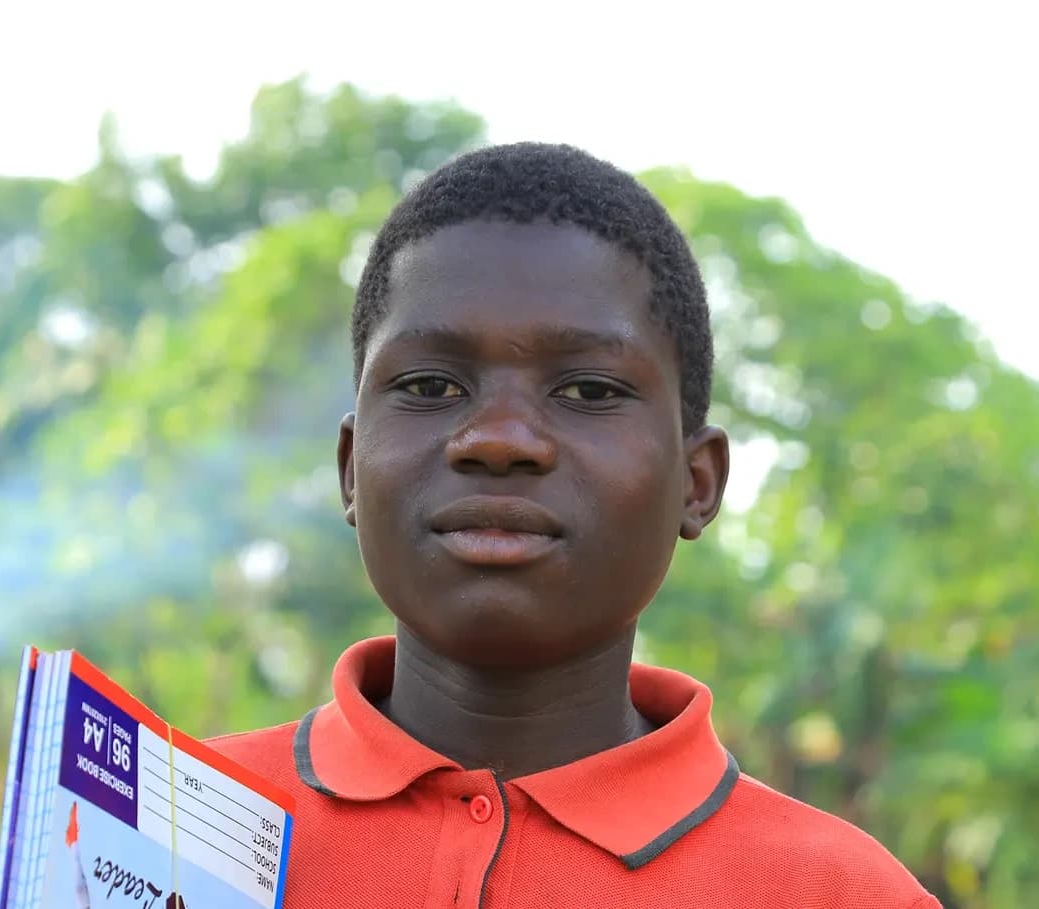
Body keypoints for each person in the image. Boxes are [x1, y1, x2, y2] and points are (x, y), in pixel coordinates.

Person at [210, 143, 941, 908]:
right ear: (352, 466)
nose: (496, 438)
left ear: (696, 483)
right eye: (431, 383)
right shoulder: (167, 827)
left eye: (588, 389)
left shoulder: (837, 892)